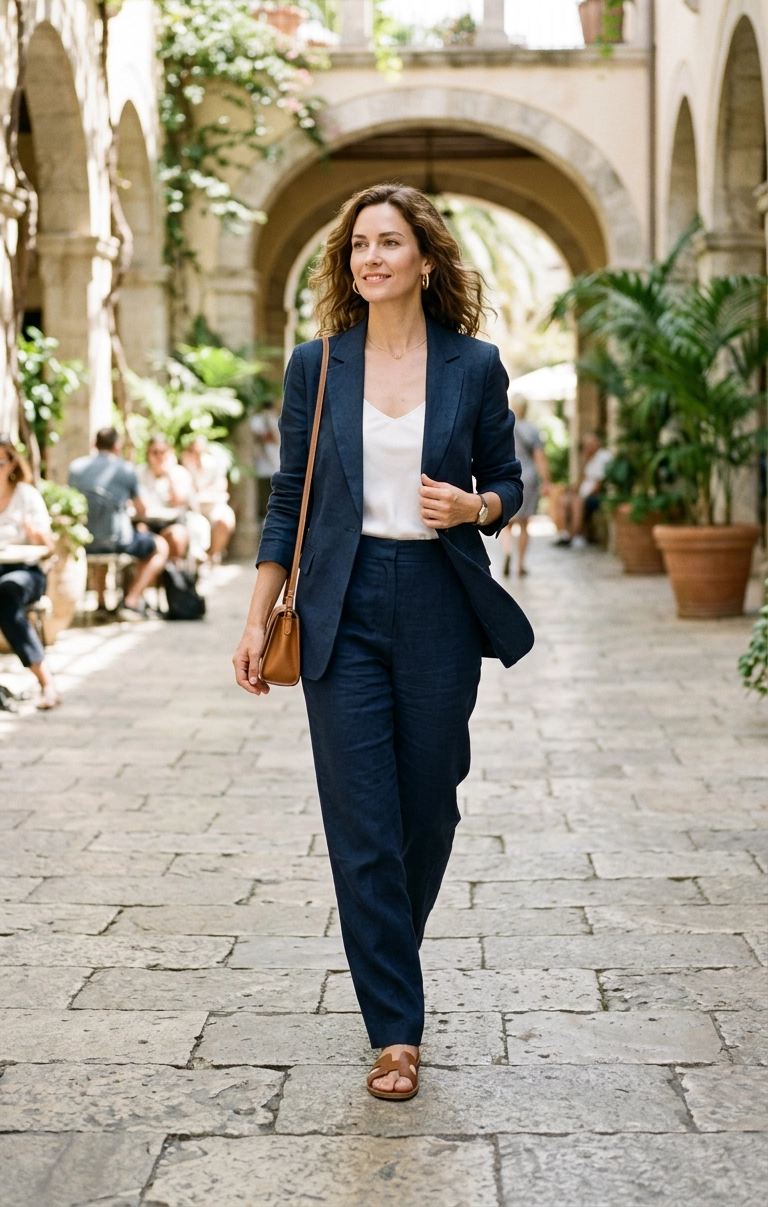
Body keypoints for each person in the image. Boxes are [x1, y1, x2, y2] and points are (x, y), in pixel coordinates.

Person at [232, 183, 533, 1102]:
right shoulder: (316, 366)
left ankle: (386, 945)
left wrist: (472, 505)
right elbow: (289, 499)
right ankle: (394, 1031)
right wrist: (257, 616)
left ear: (424, 261)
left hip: (440, 602)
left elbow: (510, 485)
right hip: (342, 606)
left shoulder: (474, 366)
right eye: (358, 243)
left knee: (428, 807)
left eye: (390, 242)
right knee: (360, 819)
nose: (371, 257)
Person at [69, 427, 168, 622]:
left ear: (94, 444)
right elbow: (143, 510)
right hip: (117, 541)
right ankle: (131, 602)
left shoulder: (76, 468)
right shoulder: (126, 469)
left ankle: (100, 603)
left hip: (85, 541)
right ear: (117, 446)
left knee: (99, 535)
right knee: (161, 547)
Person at [0, 436, 59, 707]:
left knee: (7, 592)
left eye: (0, 462)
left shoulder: (27, 495)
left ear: (12, 463)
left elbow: (50, 548)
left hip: (27, 572)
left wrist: (36, 535)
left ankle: (47, 682)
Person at [500, 396, 551, 577]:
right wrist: (546, 481)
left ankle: (507, 553)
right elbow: (539, 457)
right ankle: (520, 565)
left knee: (506, 523)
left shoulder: (503, 426)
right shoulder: (532, 429)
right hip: (527, 477)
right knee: (524, 523)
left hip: (507, 475)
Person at [139, 436, 209, 566]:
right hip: (147, 524)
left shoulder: (180, 473)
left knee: (176, 536)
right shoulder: (140, 473)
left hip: (174, 523)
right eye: (155, 452)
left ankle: (175, 577)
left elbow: (177, 500)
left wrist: (168, 473)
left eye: (163, 452)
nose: (159, 456)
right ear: (148, 454)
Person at [553, 431, 613, 548]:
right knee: (564, 499)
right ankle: (566, 534)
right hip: (585, 494)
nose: (587, 447)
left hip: (596, 495)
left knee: (577, 502)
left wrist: (582, 496)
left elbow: (598, 484)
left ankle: (573, 536)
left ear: (598, 443)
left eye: (590, 444)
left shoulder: (603, 457)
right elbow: (582, 480)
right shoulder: (590, 459)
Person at [180, 437, 236, 561]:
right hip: (191, 508)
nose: (197, 456)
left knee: (225, 520)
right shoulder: (184, 465)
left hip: (213, 505)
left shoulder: (213, 464)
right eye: (194, 452)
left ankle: (211, 557)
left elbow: (222, 486)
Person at [250, 402, 281, 520]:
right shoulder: (257, 420)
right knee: (263, 491)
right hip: (262, 462)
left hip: (274, 461)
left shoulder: (274, 419)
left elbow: (275, 437)